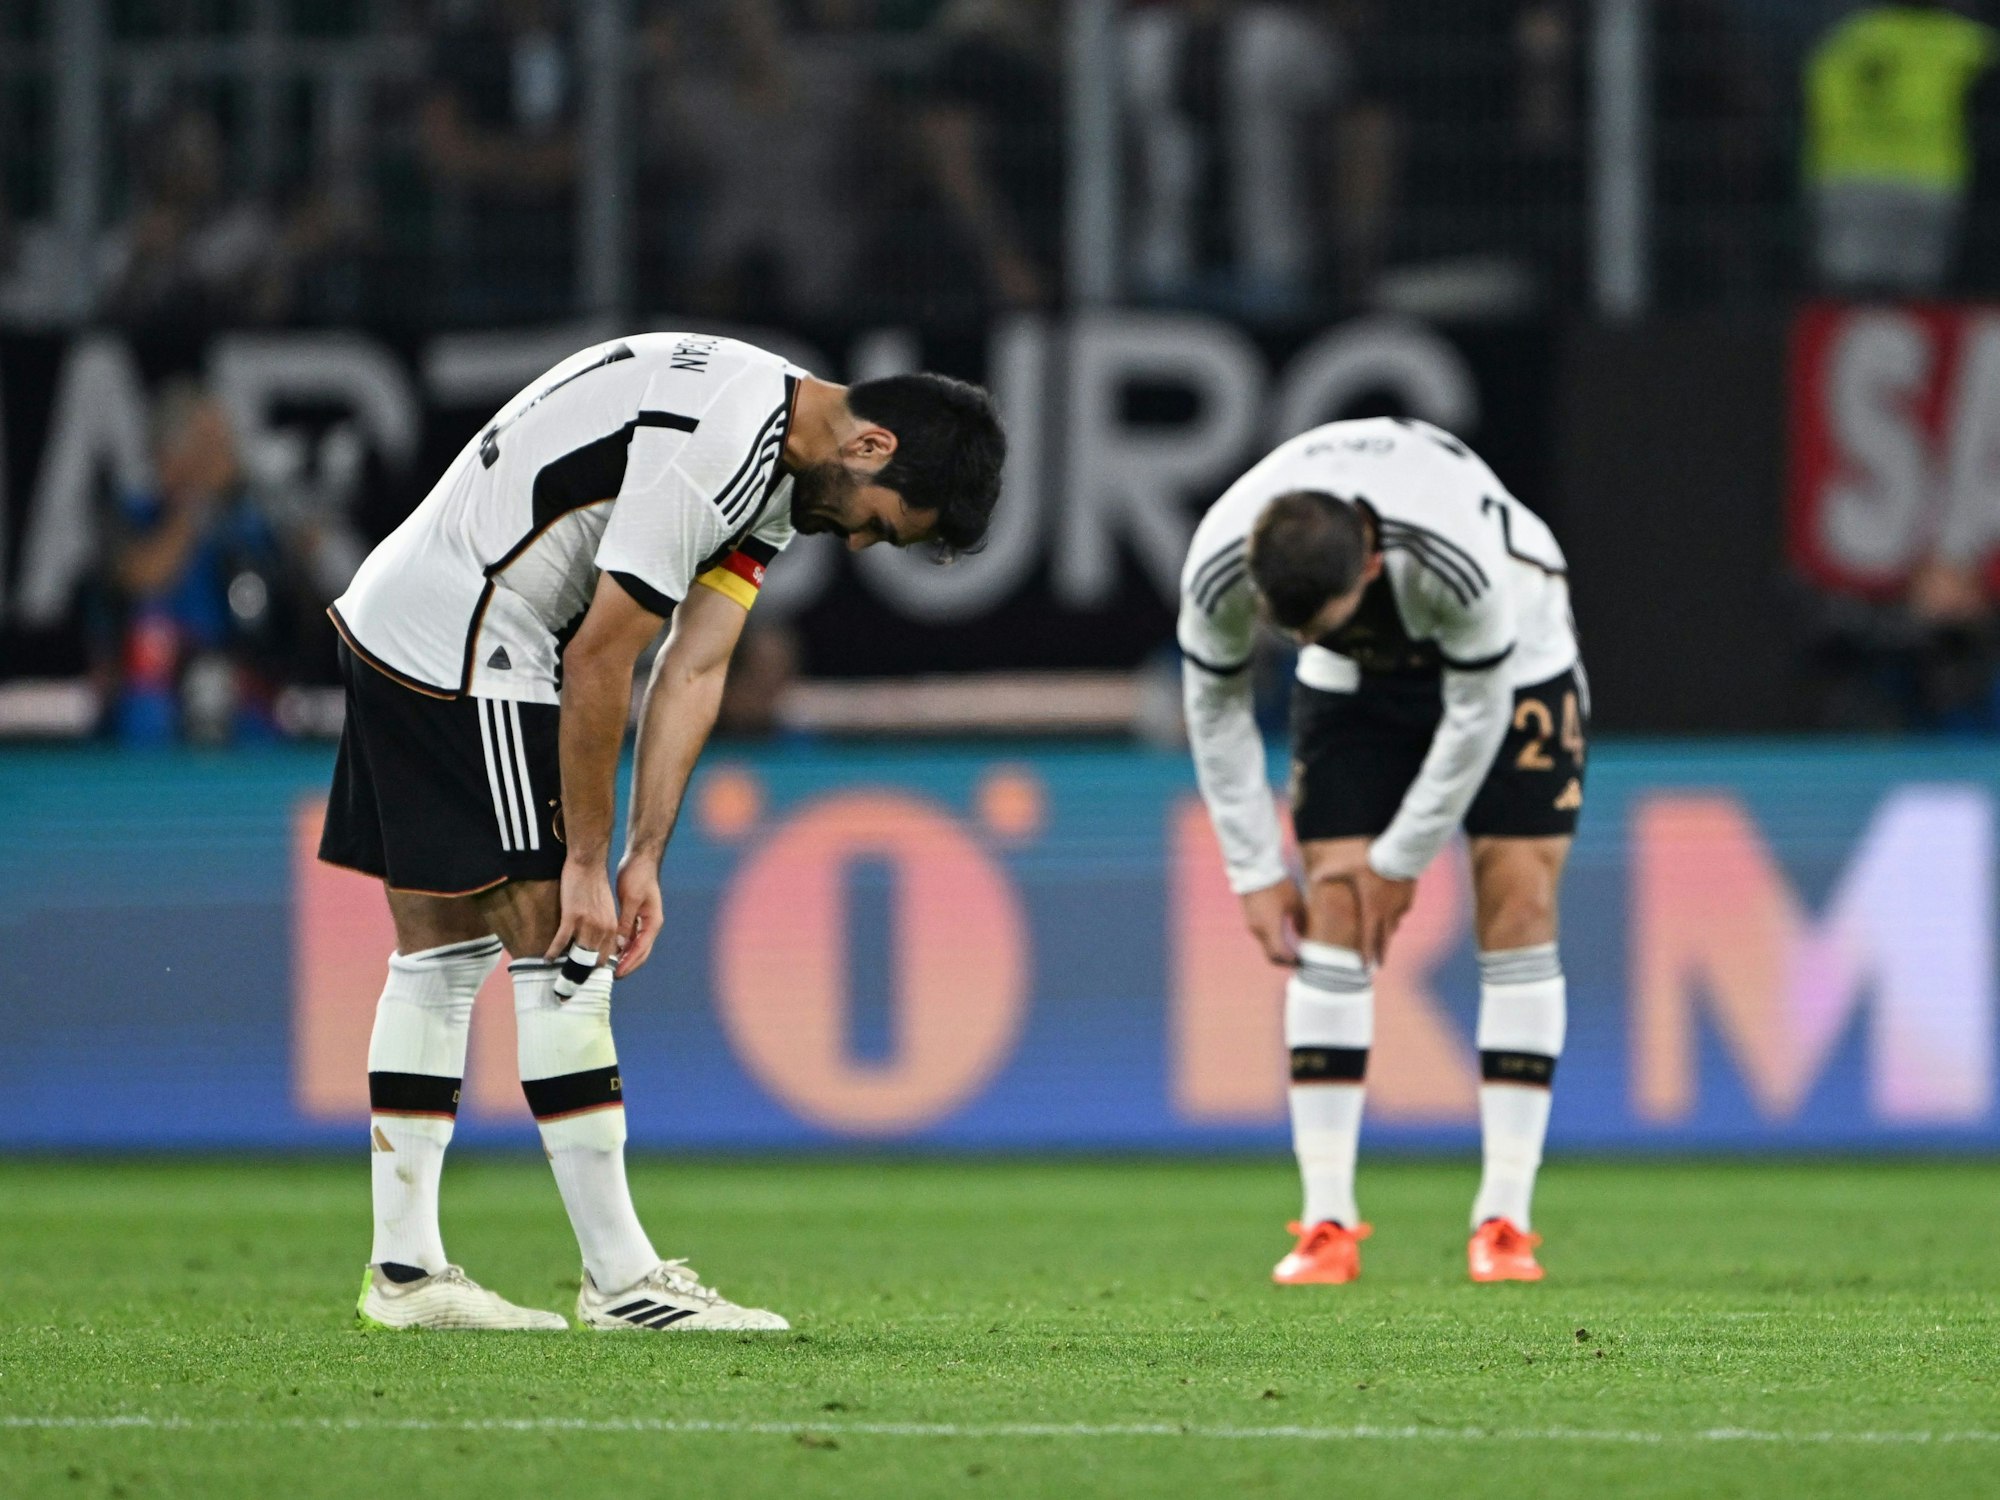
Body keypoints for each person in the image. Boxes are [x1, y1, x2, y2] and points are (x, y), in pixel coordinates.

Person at [321, 333, 1004, 1330]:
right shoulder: (723, 447)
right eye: (881, 524)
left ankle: (406, 1272)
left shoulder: (778, 461)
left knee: (440, 948)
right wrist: (589, 862)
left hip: (410, 615)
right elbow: (604, 657)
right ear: (869, 447)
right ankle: (620, 1279)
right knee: (564, 941)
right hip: (476, 635)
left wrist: (644, 853)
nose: (860, 543)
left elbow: (693, 665)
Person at [1178, 416, 1583, 1286]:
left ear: (1366, 565)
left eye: (1320, 624)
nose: (1300, 642)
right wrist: (1253, 872)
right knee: (1333, 902)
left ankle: (1505, 1220)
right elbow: (1215, 710)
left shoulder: (1455, 560)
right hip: (1360, 684)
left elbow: (1479, 715)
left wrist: (1402, 860)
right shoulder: (1220, 560)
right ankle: (1327, 1221)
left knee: (1517, 898)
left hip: (1517, 656)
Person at [1805, 0, 1998, 295]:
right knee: (1916, 289)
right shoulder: (1957, 38)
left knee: (1848, 285)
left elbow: (1814, 93)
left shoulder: (1849, 37)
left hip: (1848, 176)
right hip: (1928, 178)